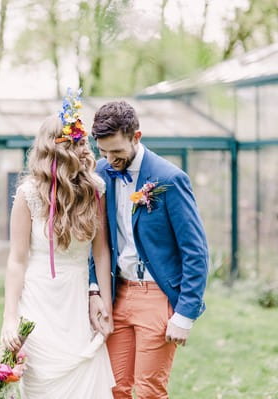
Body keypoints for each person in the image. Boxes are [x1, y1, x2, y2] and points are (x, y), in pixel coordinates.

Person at [88, 101, 209, 399]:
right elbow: (97, 241)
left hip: (156, 296)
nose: (109, 159)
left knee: (148, 392)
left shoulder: (170, 179)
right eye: (103, 152)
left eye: (117, 151)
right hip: (116, 293)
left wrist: (185, 314)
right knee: (115, 388)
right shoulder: (101, 173)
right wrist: (94, 290)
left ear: (136, 137)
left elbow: (195, 251)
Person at [0, 89, 115, 398]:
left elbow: (101, 252)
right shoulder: (28, 195)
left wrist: (104, 301)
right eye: (76, 143)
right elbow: (17, 259)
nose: (84, 149)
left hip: (76, 301)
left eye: (83, 142)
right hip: (38, 301)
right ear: (56, 149)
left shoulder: (96, 190)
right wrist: (10, 317)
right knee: (42, 384)